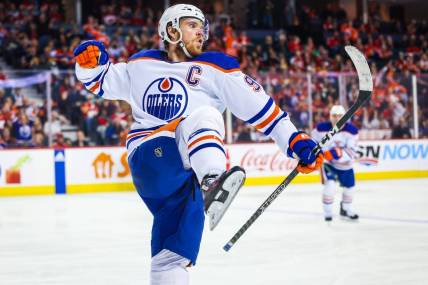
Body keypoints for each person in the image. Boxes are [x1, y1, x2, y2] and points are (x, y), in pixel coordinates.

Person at [74, 4, 323, 285]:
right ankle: (214, 182)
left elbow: (264, 111)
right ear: (171, 30)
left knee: (171, 258)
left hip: (178, 179)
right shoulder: (140, 64)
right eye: (193, 25)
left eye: (203, 28)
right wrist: (89, 63)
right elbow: (101, 81)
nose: (201, 33)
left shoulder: (217, 67)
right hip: (150, 152)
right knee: (205, 115)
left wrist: (295, 141)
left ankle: (207, 187)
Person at [312, 105, 359, 222]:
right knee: (330, 186)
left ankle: (345, 209)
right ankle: (328, 213)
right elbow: (313, 143)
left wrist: (336, 153)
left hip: (346, 165)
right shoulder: (320, 128)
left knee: (350, 188)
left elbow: (352, 152)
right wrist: (320, 153)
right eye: (334, 115)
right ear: (330, 116)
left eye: (340, 116)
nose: (337, 118)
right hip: (328, 164)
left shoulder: (352, 131)